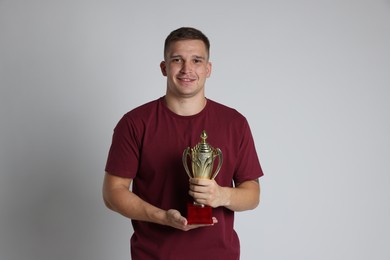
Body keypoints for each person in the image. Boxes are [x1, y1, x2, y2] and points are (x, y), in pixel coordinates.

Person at [103, 27, 264, 260]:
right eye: (177, 60)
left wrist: (221, 195)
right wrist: (162, 217)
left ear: (208, 69)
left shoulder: (234, 123)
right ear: (164, 67)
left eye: (196, 60)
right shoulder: (135, 123)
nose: (187, 69)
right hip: (153, 255)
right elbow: (112, 193)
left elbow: (252, 194)